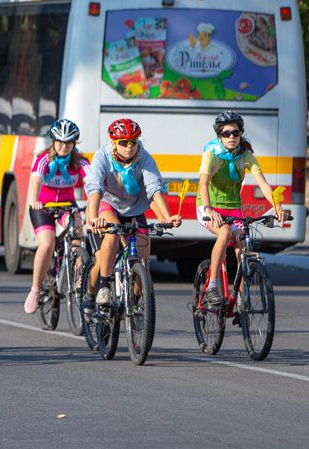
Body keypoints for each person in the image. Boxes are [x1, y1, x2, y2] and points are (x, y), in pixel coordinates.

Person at [83, 118, 182, 309]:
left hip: (134, 209)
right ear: (113, 143)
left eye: (133, 142)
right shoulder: (103, 156)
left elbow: (154, 190)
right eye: (123, 143)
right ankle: (100, 288)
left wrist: (167, 217)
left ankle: (135, 300)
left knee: (142, 259)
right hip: (108, 205)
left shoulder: (143, 157)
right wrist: (93, 218)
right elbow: (94, 188)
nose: (129, 147)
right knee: (112, 236)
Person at [197, 111, 287, 306]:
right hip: (208, 205)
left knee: (242, 245)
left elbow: (263, 185)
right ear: (219, 136)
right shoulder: (211, 153)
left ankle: (240, 300)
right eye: (226, 133)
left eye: (235, 133)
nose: (231, 137)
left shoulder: (245, 155)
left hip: (233, 208)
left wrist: (277, 207)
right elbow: (203, 183)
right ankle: (212, 286)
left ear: (240, 134)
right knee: (224, 233)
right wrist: (209, 209)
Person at [22, 119, 88, 314]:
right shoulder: (44, 158)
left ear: (74, 144)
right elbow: (35, 179)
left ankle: (77, 275)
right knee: (47, 243)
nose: (63, 146)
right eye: (59, 142)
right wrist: (34, 200)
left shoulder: (80, 161)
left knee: (78, 231)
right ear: (53, 141)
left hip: (66, 205)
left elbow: (93, 182)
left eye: (68, 143)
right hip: (42, 206)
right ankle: (35, 290)